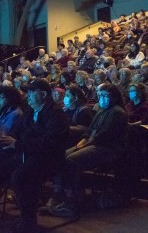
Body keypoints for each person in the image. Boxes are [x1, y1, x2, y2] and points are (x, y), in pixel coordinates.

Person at [49, 83, 127, 217]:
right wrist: (81, 142)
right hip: (93, 143)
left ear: (113, 97)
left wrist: (84, 144)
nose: (102, 98)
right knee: (60, 156)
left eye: (105, 95)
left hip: (107, 148)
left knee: (71, 160)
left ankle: (73, 198)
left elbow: (104, 135)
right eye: (100, 95)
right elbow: (90, 131)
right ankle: (60, 194)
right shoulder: (102, 110)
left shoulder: (118, 112)